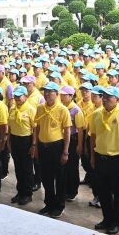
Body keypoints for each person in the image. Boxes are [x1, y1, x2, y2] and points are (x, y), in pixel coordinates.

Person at [89, 86, 119, 235]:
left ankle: (117, 222)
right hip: (101, 157)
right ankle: (107, 219)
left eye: (109, 97)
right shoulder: (96, 114)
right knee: (103, 192)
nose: (105, 99)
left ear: (117, 99)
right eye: (104, 97)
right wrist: (92, 156)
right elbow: (93, 136)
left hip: (118, 159)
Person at [33, 82, 71, 218]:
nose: (47, 94)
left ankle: (59, 205)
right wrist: (35, 146)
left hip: (57, 146)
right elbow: (37, 127)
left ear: (57, 94)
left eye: (50, 91)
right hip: (43, 146)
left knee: (59, 178)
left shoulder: (62, 110)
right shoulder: (40, 108)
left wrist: (65, 151)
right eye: (45, 91)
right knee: (46, 177)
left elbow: (67, 132)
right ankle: (49, 203)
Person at [8, 86, 36, 205]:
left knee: (27, 169)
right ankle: (20, 192)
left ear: (26, 96)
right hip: (15, 139)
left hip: (26, 140)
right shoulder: (13, 108)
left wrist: (34, 144)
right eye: (16, 96)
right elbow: (10, 127)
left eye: (20, 96)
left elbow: (35, 128)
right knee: (18, 168)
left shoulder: (30, 109)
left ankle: (27, 194)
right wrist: (9, 142)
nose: (17, 98)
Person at [59, 85, 86, 202]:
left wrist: (80, 145)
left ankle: (72, 191)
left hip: (73, 139)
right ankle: (64, 189)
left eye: (64, 95)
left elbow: (80, 129)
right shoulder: (61, 107)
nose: (61, 97)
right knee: (63, 166)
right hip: (62, 138)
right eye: (61, 95)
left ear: (71, 96)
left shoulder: (76, 110)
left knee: (72, 167)